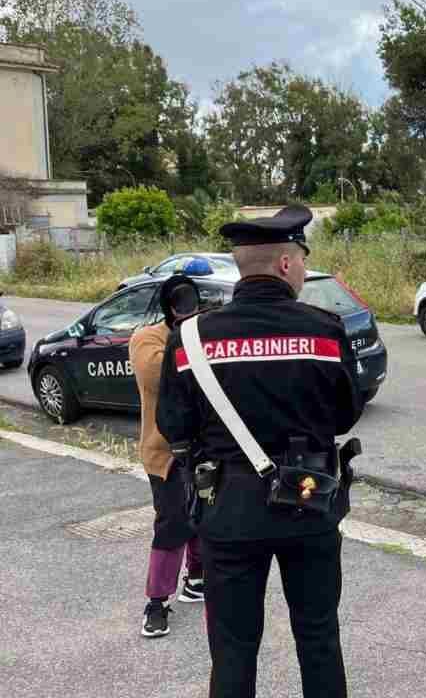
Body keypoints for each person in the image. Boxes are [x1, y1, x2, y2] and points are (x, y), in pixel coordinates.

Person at [156, 205, 363, 698]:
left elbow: (173, 426)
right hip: (310, 501)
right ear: (288, 265)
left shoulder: (189, 337)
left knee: (231, 648)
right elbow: (344, 415)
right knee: (318, 639)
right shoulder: (325, 330)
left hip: (227, 511)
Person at [130, 273, 207, 638]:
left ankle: (196, 578)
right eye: (182, 303)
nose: (189, 309)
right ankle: (157, 601)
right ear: (169, 308)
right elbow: (154, 377)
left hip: (203, 447)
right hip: (165, 452)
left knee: (202, 515)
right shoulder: (147, 339)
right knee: (173, 523)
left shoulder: (201, 334)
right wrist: (186, 336)